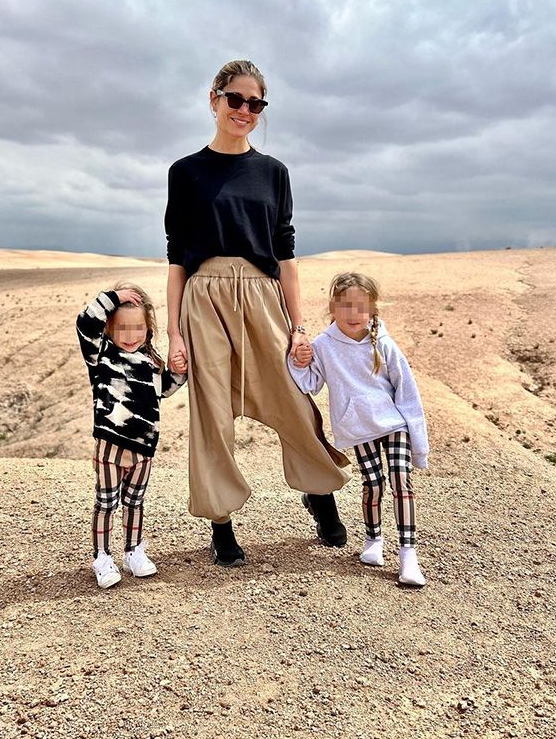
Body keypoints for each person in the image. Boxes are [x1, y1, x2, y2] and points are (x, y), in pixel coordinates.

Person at [164, 59, 350, 567]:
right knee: (212, 413)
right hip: (203, 298)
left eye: (255, 103)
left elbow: (286, 256)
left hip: (264, 295)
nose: (244, 110)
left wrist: (298, 327)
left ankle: (319, 494)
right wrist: (174, 332)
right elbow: (176, 257)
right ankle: (221, 522)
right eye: (235, 100)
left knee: (293, 399)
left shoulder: (274, 173)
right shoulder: (184, 172)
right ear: (214, 99)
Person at [288, 272, 429, 587]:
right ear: (333, 308)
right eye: (346, 306)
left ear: (373, 309)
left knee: (401, 483)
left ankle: (409, 556)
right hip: (357, 427)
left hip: (394, 424)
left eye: (362, 307)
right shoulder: (323, 345)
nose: (355, 315)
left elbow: (407, 392)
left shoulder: (384, 343)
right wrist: (299, 361)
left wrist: (419, 443)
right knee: (373, 484)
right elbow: (310, 383)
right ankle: (373, 542)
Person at [76, 282, 186, 588]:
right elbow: (85, 322)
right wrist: (114, 298)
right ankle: (101, 557)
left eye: (137, 328)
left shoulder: (150, 360)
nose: (130, 336)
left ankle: (134, 551)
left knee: (135, 502)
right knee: (106, 503)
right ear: (109, 328)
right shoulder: (100, 356)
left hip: (144, 449)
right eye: (121, 328)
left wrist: (179, 371)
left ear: (148, 328)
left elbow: (163, 390)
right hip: (110, 448)